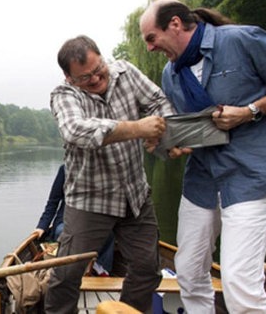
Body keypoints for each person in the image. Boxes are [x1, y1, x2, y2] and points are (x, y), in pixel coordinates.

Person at [139, 0, 266, 313]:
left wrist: (249, 111)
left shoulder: (241, 39)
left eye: (151, 38)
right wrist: (165, 144)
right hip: (202, 178)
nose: (149, 48)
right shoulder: (170, 75)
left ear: (174, 24)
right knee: (186, 270)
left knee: (239, 282)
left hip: (250, 174)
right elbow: (187, 129)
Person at [44, 35, 175, 313]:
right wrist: (138, 129)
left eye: (98, 69)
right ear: (69, 78)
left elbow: (157, 102)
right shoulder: (64, 95)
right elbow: (76, 130)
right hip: (90, 200)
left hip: (135, 196)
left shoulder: (126, 72)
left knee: (148, 269)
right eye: (85, 77)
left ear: (102, 58)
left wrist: (163, 137)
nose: (95, 79)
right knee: (67, 275)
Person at [32, 164, 115, 276]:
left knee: (109, 233)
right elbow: (53, 202)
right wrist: (42, 226)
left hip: (92, 221)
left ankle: (100, 268)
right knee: (62, 232)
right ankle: (66, 269)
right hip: (66, 221)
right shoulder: (65, 169)